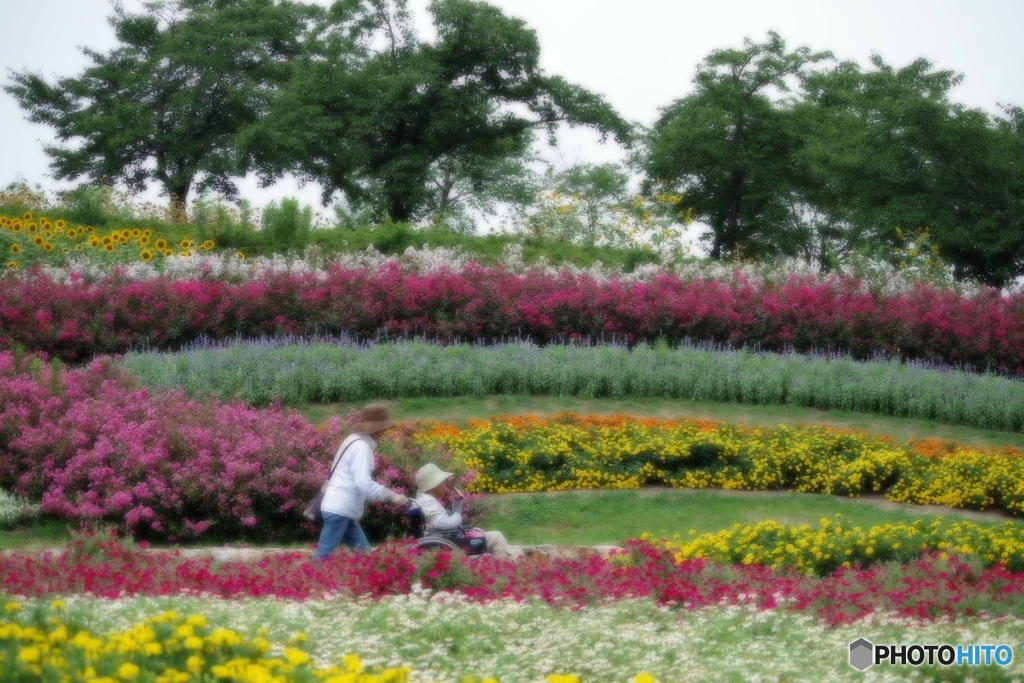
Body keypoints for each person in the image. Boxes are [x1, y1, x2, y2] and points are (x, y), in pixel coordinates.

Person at [313, 403, 410, 560]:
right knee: (322, 556)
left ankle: (367, 583)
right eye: (383, 429)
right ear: (377, 428)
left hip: (345, 511)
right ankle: (304, 582)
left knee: (365, 558)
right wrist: (391, 496)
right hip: (340, 510)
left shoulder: (353, 440)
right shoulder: (362, 447)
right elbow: (363, 483)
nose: (384, 433)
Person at [413, 462, 524, 561]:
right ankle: (503, 572)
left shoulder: (425, 501)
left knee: (493, 536)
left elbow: (442, 522)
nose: (444, 484)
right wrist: (457, 514)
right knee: (496, 537)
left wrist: (457, 504)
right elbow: (446, 524)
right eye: (442, 482)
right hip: (454, 543)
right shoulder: (429, 505)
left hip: (449, 539)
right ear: (434, 485)